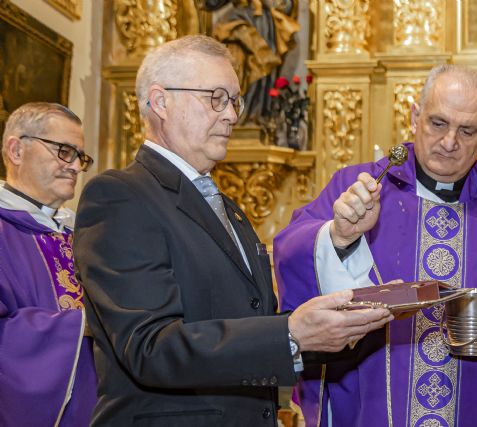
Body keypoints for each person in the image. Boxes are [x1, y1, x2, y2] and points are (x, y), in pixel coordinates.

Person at [72, 35, 392, 427]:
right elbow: (150, 347)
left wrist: (337, 324)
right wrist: (290, 334)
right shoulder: (120, 196)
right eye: (216, 98)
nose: (231, 115)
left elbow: (253, 324)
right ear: (161, 102)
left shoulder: (229, 210)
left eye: (234, 101)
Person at [274, 64, 477, 427]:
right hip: (370, 410)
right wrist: (339, 237)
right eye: (438, 123)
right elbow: (291, 251)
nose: (449, 142)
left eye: (467, 130)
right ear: (415, 116)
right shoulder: (357, 188)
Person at [0, 102, 97, 426]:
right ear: (16, 150)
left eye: (80, 156)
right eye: (64, 151)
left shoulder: (82, 233)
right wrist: (84, 324)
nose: (75, 166)